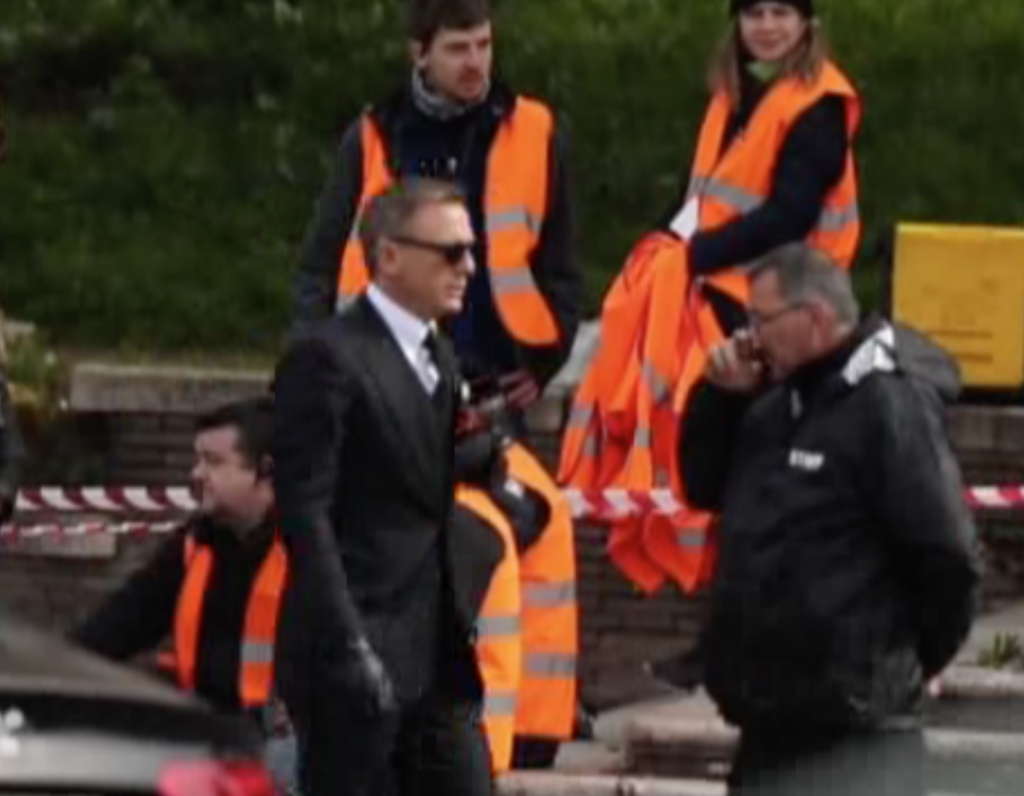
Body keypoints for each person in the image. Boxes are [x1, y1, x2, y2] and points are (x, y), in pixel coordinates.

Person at [677, 244, 980, 794]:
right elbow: (703, 485)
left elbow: (949, 556)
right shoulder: (775, 403)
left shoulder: (887, 406)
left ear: (813, 317)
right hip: (768, 719)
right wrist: (721, 401)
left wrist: (904, 662)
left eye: (760, 319)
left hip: (856, 732)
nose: (749, 335)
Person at [649, 0, 862, 690]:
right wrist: (667, 249)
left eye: (781, 12)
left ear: (807, 22)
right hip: (734, 305)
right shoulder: (735, 99)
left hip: (795, 317)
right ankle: (722, 637)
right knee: (734, 479)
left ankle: (741, 640)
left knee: (761, 482)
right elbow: (705, 199)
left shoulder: (816, 104)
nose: (767, 26)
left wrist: (694, 253)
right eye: (754, 12)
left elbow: (790, 214)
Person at [272, 177, 491, 796]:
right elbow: (305, 514)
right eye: (450, 252)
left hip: (436, 655)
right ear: (389, 255)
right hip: (356, 650)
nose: (468, 267)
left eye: (471, 250)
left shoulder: (439, 359)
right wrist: (348, 644)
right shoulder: (328, 356)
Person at [291, 0, 582, 425]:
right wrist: (312, 365)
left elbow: (560, 263)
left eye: (484, 45)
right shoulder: (376, 134)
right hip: (381, 381)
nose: (475, 62)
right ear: (420, 53)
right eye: (457, 49)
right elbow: (320, 265)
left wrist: (545, 360)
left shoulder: (535, 131)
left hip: (492, 387)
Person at [69, 397, 298, 793]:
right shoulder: (196, 545)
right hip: (208, 733)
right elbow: (118, 624)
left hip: (283, 746)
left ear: (265, 472)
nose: (196, 473)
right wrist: (51, 667)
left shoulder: (311, 553)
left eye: (213, 461)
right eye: (198, 459)